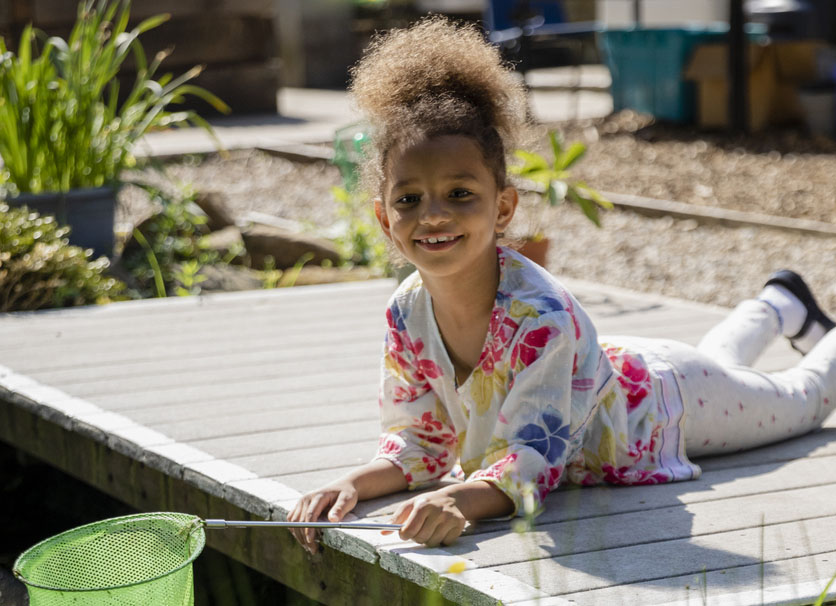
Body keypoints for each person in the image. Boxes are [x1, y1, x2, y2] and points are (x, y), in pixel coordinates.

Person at [288, 17, 836, 554]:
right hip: (613, 367)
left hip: (668, 404)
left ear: (503, 207)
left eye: (460, 194)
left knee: (803, 400)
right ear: (385, 220)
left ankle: (790, 312)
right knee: (724, 365)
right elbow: (420, 440)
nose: (432, 215)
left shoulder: (540, 314)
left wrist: (459, 499)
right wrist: (351, 485)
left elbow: (532, 457)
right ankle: (779, 303)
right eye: (408, 200)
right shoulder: (406, 312)